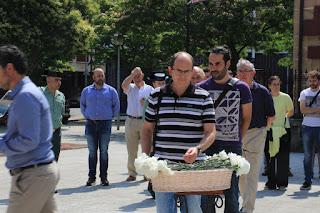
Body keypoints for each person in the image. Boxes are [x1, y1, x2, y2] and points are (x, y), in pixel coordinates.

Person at [141, 52, 216, 213]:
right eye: (178, 70)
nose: (183, 75)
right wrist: (146, 160)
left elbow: (210, 132)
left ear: (192, 72)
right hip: (163, 167)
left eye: (187, 71)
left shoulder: (204, 97)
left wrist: (198, 149)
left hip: (193, 168)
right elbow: (147, 129)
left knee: (193, 211)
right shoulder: (156, 95)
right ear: (170, 70)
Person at [0, 45, 59, 212]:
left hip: (31, 177)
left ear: (9, 68)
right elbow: (19, 135)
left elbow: (28, 141)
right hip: (39, 174)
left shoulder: (25, 96)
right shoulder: (22, 94)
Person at [197, 46, 252, 213]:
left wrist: (237, 139)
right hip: (208, 146)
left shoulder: (241, 88)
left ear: (228, 64)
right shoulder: (201, 88)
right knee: (206, 194)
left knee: (232, 194)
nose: (213, 68)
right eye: (211, 64)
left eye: (218, 64)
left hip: (232, 147)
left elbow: (247, 118)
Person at [235, 59, 275, 213]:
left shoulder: (262, 91)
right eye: (240, 70)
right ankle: (246, 204)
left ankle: (247, 209)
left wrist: (261, 131)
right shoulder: (233, 90)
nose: (243, 73)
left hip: (256, 134)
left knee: (251, 173)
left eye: (246, 70)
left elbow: (271, 115)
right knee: (241, 174)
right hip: (236, 135)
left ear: (253, 73)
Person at [80, 68, 120, 186]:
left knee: (104, 152)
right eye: (98, 76)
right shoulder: (86, 91)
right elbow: (82, 105)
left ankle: (104, 177)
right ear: (93, 77)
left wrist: (108, 117)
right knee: (92, 152)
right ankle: (91, 177)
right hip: (90, 124)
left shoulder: (111, 91)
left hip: (105, 125)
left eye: (102, 76)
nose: (100, 78)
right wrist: (87, 116)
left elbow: (116, 106)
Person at [122, 67, 153, 181]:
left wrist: (146, 103)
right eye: (134, 77)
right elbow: (123, 85)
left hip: (145, 121)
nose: (136, 79)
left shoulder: (149, 89)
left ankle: (147, 173)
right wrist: (131, 75)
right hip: (131, 120)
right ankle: (132, 173)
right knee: (131, 149)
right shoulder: (130, 88)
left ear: (143, 75)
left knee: (147, 149)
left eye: (138, 76)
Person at [263, 76, 293, 191]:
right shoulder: (266, 97)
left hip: (283, 130)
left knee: (283, 157)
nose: (276, 86)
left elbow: (291, 111)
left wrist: (283, 118)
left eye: (278, 84)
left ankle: (282, 183)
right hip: (269, 130)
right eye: (274, 84)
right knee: (270, 157)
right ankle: (271, 182)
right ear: (269, 86)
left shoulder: (286, 97)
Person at [299, 70, 320, 190]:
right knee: (307, 155)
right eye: (310, 81)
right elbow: (302, 110)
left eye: (314, 81)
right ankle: (307, 180)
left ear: (319, 81)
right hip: (307, 126)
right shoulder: (303, 93)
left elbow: (306, 109)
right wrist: (317, 109)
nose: (311, 83)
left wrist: (309, 109)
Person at [42, 70, 65, 162]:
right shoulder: (40, 94)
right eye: (56, 80)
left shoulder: (61, 96)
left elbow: (61, 112)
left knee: (55, 160)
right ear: (48, 81)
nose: (59, 82)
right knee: (43, 161)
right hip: (44, 133)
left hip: (57, 133)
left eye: (60, 80)